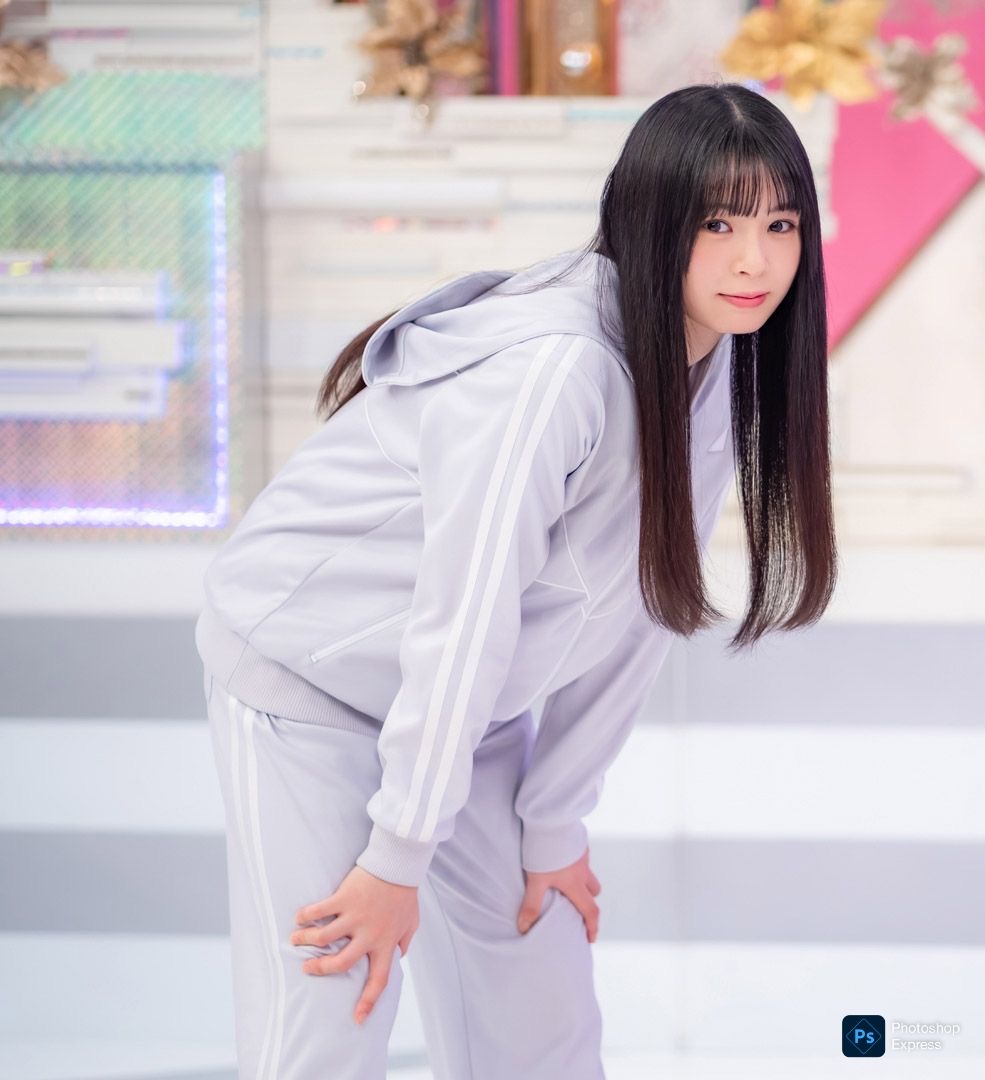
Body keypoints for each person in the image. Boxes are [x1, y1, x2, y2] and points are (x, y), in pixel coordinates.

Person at [195, 81, 838, 1079]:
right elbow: (465, 613)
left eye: (779, 224)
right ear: (650, 219)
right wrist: (395, 857)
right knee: (334, 1014)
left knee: (542, 1017)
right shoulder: (554, 370)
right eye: (718, 223)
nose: (754, 259)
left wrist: (552, 821)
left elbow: (644, 604)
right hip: (309, 684)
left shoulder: (715, 363)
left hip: (469, 710)